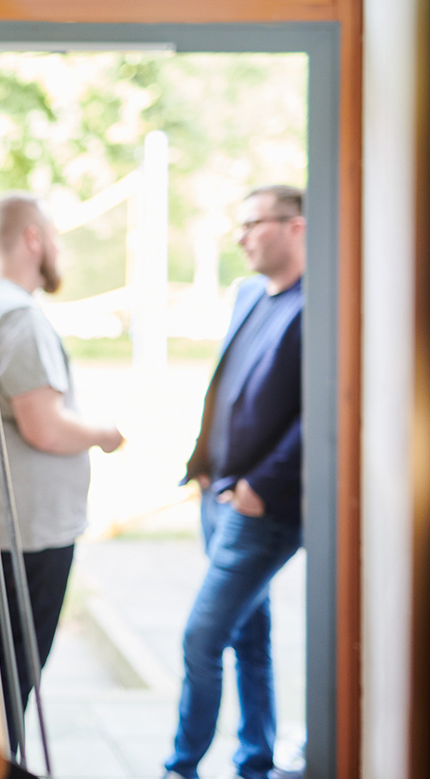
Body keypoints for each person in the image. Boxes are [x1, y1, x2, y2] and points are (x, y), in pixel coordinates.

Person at [163, 184, 305, 779]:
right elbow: (224, 388)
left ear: (297, 226)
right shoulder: (250, 292)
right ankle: (256, 760)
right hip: (217, 494)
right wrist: (202, 463)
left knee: (202, 639)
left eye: (255, 224)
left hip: (262, 507)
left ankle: (181, 767)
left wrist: (259, 487)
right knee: (249, 636)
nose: (242, 236)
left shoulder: (321, 303)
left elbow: (319, 413)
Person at [0, 192, 124, 750]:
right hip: (29, 536)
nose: (59, 247)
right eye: (55, 235)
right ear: (33, 239)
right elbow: (44, 426)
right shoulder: (18, 315)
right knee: (11, 686)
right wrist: (105, 434)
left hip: (1, 528)